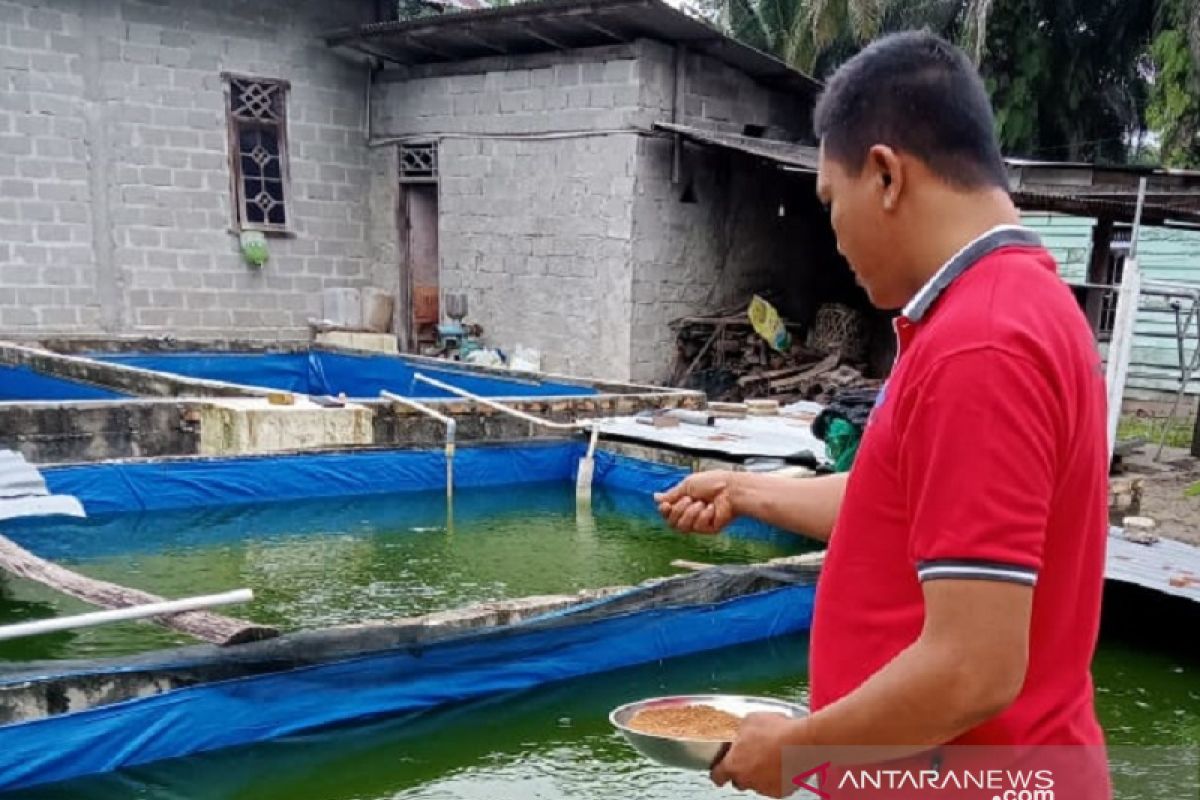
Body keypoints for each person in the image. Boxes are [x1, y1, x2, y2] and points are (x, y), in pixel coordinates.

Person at [656, 31, 1110, 798]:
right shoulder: (1007, 308)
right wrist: (745, 489)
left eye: (831, 203)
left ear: (887, 176)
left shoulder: (982, 345)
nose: (833, 237)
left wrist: (800, 748)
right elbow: (897, 505)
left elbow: (972, 669)